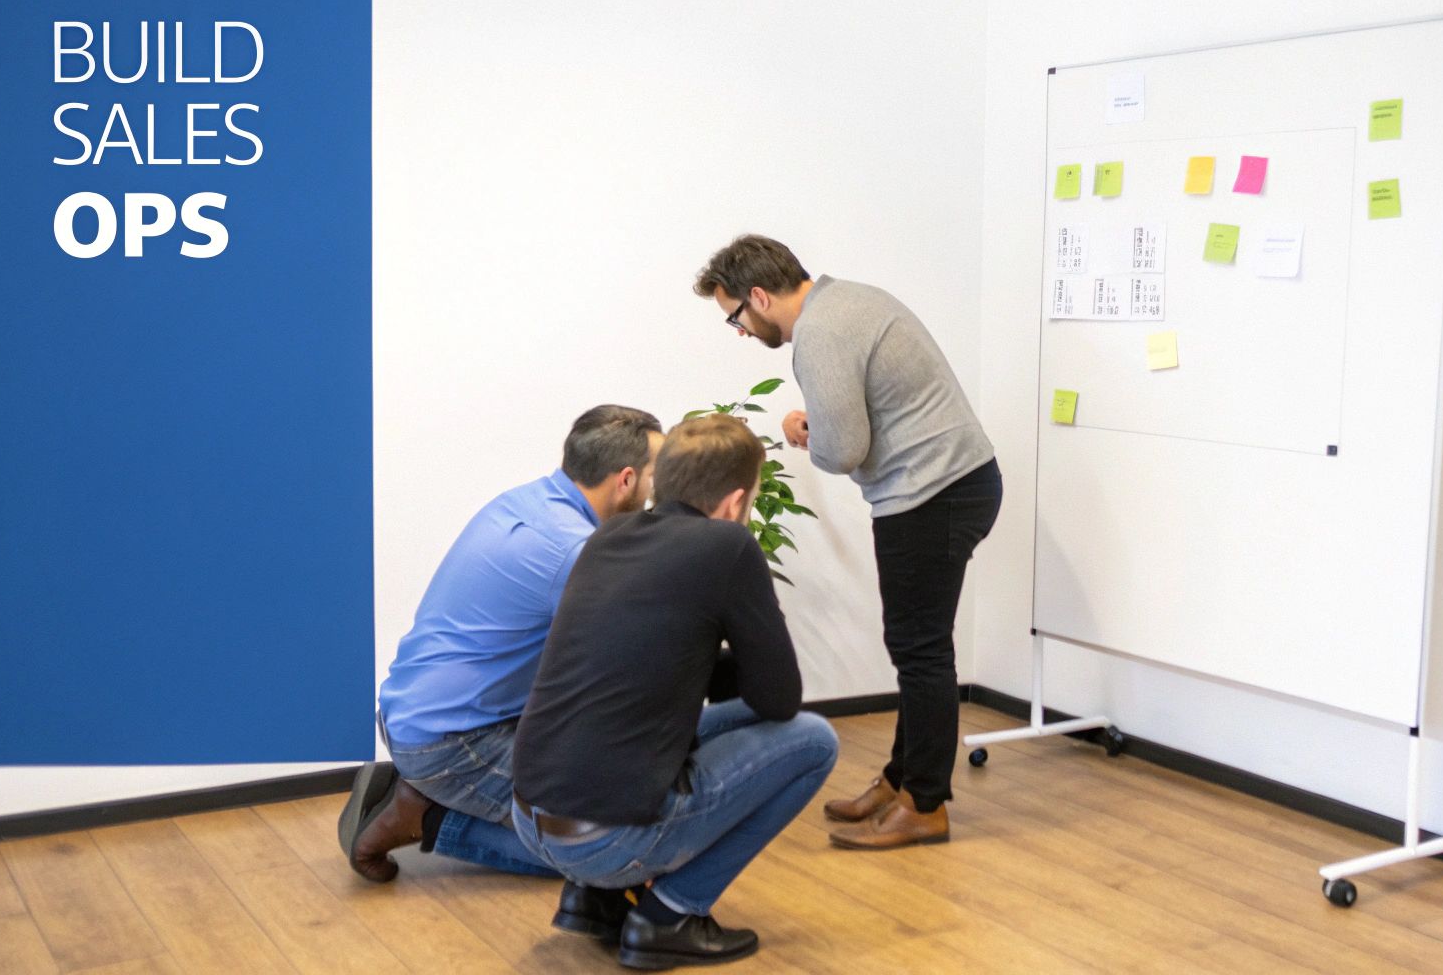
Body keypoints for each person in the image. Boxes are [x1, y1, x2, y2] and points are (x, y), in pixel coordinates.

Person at [693, 234, 1001, 851]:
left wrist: (800, 430)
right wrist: (822, 424)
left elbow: (844, 450)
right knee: (914, 646)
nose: (740, 331)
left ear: (760, 296)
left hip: (931, 492)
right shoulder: (848, 301)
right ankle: (899, 781)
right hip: (953, 483)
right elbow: (868, 416)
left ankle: (925, 804)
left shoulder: (820, 333)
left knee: (920, 651)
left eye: (735, 316)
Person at [512, 415, 838, 970]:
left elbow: (632, 666)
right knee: (814, 740)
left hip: (530, 817)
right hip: (601, 839)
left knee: (657, 726)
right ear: (736, 501)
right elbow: (779, 700)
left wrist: (698, 656)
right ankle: (670, 915)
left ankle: (596, 898)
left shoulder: (610, 535)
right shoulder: (729, 545)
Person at [338, 405, 664, 882]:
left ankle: (427, 792)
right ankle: (426, 815)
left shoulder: (529, 502)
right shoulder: (573, 551)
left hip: (417, 714)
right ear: (627, 479)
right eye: (656, 475)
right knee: (610, 850)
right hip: (450, 743)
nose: (658, 489)